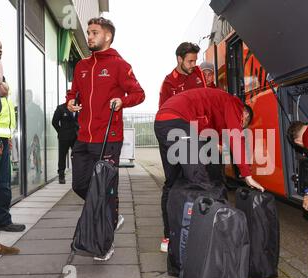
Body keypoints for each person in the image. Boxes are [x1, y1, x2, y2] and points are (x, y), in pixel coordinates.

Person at [67, 17, 145, 261]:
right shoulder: (81, 66)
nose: (89, 36)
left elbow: (138, 93)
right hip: (83, 137)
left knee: (104, 190)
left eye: (94, 33)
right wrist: (69, 102)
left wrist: (123, 100)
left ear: (107, 37)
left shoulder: (120, 65)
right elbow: (73, 93)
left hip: (109, 137)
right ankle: (112, 214)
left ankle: (105, 243)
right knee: (80, 184)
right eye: (88, 32)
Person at [155, 87, 265, 253]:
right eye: (242, 122)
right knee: (201, 182)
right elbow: (235, 136)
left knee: (173, 182)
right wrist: (247, 174)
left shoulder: (214, 108)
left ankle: (171, 237)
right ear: (243, 113)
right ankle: (207, 241)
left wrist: (216, 143)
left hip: (162, 122)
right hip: (178, 121)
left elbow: (205, 131)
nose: (240, 125)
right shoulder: (233, 102)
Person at [0, 32, 25, 234]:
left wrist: (10, 137)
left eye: (0, 51)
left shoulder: (2, 79)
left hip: (4, 138)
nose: (0, 54)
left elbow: (8, 110)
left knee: (4, 184)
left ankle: (3, 220)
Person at [158, 42, 206, 108]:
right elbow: (163, 112)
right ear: (180, 59)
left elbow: (206, 99)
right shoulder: (168, 83)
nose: (194, 64)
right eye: (190, 61)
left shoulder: (199, 71)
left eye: (195, 61)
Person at [52, 92, 79, 184]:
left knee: (76, 156)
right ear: (66, 97)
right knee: (62, 156)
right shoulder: (61, 108)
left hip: (75, 137)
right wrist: (61, 131)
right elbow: (54, 122)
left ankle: (77, 175)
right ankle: (61, 175)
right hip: (64, 137)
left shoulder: (78, 107)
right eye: (69, 97)